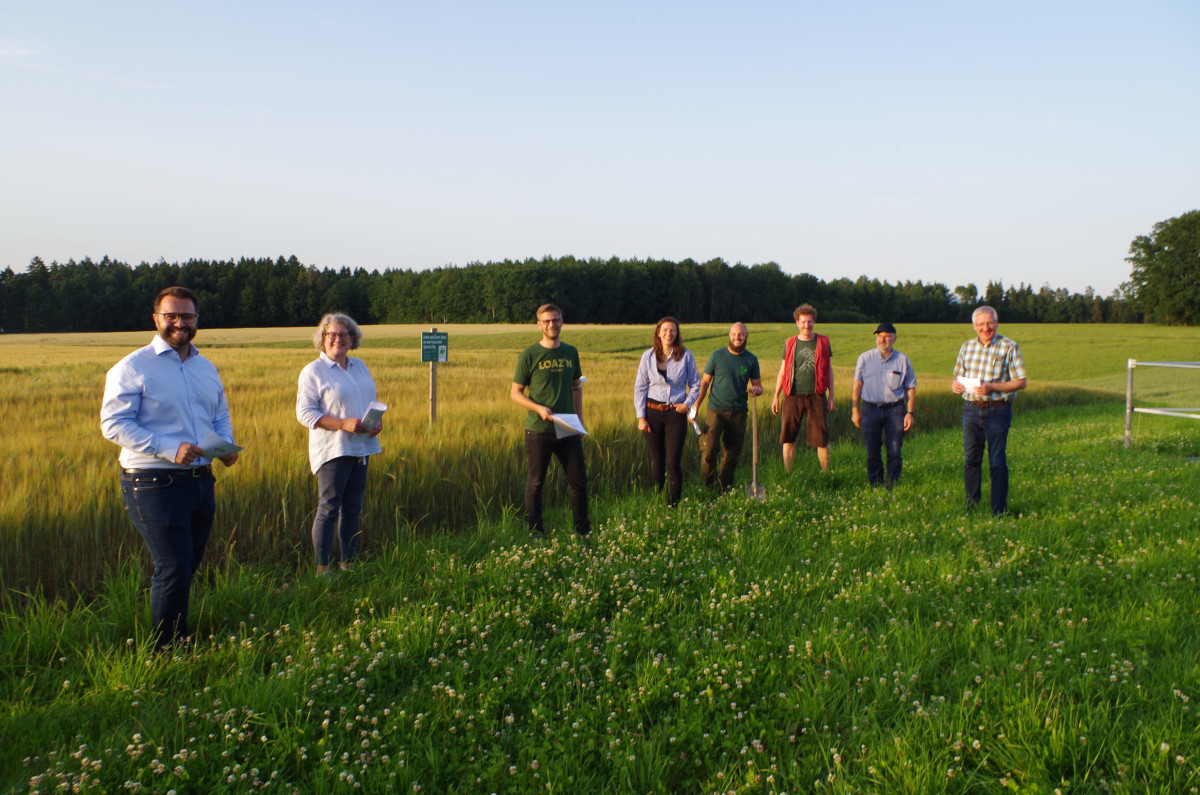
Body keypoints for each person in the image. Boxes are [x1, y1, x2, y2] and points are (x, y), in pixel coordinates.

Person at [100, 286, 239, 651]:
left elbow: (219, 415)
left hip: (199, 481)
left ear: (197, 320)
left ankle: (176, 635)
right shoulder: (133, 367)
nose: (180, 323)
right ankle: (166, 650)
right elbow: (113, 424)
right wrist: (167, 448)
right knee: (174, 567)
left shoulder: (204, 367)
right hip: (152, 482)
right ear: (156, 319)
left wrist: (225, 445)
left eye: (187, 316)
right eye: (171, 316)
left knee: (187, 566)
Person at [296, 313, 384, 576]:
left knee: (353, 509)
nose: (338, 339)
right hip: (333, 451)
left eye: (344, 335)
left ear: (352, 339)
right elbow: (305, 413)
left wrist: (375, 423)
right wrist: (342, 424)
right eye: (331, 335)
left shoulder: (360, 366)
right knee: (329, 508)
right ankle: (323, 570)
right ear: (322, 340)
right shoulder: (314, 371)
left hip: (362, 448)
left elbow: (369, 402)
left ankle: (349, 565)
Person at [510, 304, 590, 538]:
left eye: (555, 320)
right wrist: (538, 408)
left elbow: (577, 387)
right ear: (539, 324)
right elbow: (515, 393)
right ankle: (536, 533)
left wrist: (580, 420)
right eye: (546, 321)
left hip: (568, 428)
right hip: (539, 429)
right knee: (535, 483)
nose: (551, 325)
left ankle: (583, 531)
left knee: (579, 482)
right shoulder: (529, 355)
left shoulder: (570, 352)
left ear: (562, 321)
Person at [951, 305, 1027, 515]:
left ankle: (998, 510)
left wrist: (992, 387)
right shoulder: (966, 347)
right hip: (971, 409)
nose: (986, 328)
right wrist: (955, 385)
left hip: (998, 411)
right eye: (981, 324)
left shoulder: (1009, 347)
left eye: (990, 323)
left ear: (996, 322)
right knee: (971, 460)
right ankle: (971, 505)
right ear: (974, 326)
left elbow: (1020, 382)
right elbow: (957, 377)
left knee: (997, 461)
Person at [633, 317, 701, 506]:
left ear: (677, 334)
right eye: (665, 330)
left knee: (673, 462)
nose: (668, 334)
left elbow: (696, 384)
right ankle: (659, 496)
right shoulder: (647, 356)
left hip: (675, 413)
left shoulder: (686, 356)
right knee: (657, 460)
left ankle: (673, 504)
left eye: (672, 330)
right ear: (658, 332)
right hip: (652, 412)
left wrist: (686, 404)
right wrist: (641, 417)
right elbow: (640, 387)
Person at [695, 322, 763, 491]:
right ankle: (708, 487)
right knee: (709, 450)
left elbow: (758, 385)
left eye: (741, 334)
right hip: (715, 410)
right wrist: (696, 406)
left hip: (739, 412)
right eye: (734, 334)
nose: (737, 337)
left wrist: (757, 389)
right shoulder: (717, 356)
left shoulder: (751, 359)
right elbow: (704, 382)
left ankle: (724, 487)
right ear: (729, 335)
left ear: (746, 336)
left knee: (732, 453)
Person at [850, 322, 917, 488]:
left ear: (894, 339)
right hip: (870, 409)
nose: (882, 339)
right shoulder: (865, 358)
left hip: (895, 410)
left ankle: (891, 484)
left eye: (886, 336)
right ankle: (875, 484)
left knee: (894, 449)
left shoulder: (903, 360)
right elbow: (857, 385)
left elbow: (910, 387)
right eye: (879, 336)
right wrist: (855, 410)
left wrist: (910, 413)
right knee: (872, 450)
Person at [770, 304, 834, 473]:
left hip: (817, 395)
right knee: (788, 438)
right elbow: (783, 371)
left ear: (814, 322)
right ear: (797, 323)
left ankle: (826, 474)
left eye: (810, 322)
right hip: (792, 395)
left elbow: (829, 370)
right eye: (803, 322)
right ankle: (788, 474)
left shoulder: (823, 342)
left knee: (821, 439)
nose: (807, 325)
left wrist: (832, 395)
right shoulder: (790, 343)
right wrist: (776, 396)